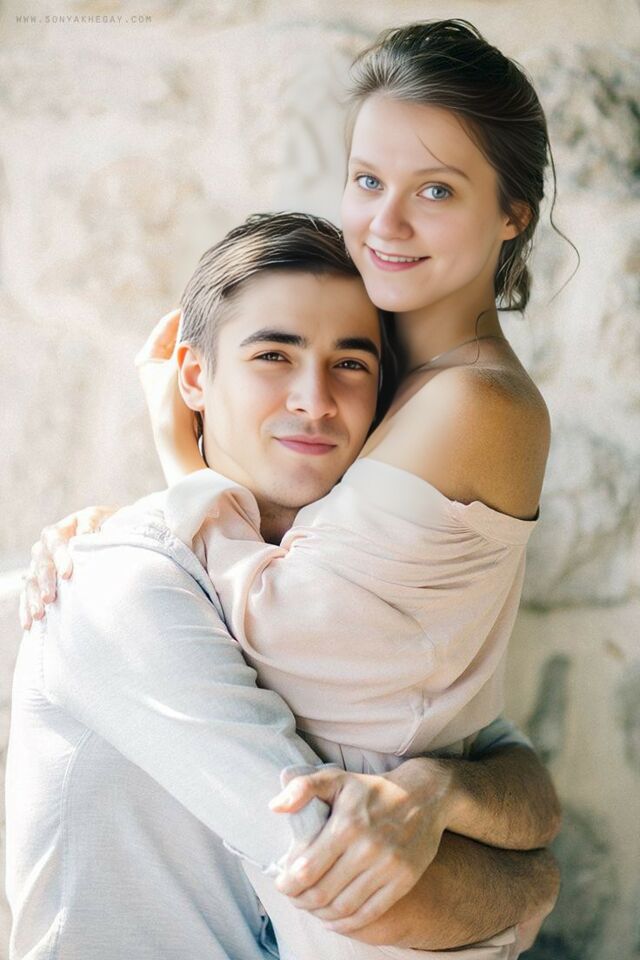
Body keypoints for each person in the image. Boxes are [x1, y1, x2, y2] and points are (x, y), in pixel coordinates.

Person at [14, 17, 563, 958]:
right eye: (367, 181)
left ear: (513, 212)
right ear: (197, 373)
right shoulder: (400, 396)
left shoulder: (469, 400)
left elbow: (285, 635)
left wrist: (181, 465)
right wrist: (527, 868)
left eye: (435, 189)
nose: (385, 223)